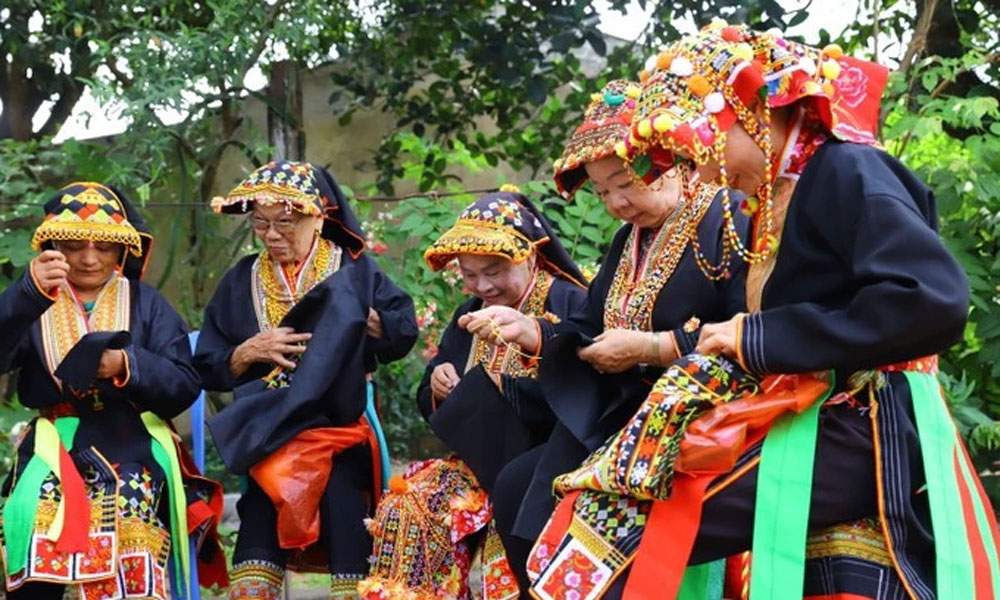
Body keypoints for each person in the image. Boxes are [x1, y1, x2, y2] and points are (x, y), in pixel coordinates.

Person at [527, 24, 994, 600]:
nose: (698, 174)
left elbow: (932, 300)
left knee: (616, 532)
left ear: (749, 114)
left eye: (702, 151)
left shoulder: (848, 170)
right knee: (601, 514)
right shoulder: (784, 192)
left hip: (860, 420)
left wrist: (759, 337)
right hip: (810, 413)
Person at [458, 79, 750, 595]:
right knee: (516, 487)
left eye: (624, 183)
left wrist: (652, 348)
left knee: (573, 509)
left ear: (671, 160)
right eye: (602, 192)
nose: (616, 202)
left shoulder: (726, 218)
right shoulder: (627, 239)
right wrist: (536, 332)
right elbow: (589, 326)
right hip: (618, 412)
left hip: (690, 414)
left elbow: (747, 327)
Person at [193, 160, 418, 600]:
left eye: (284, 222)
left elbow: (402, 329)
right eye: (260, 224)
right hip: (270, 436)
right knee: (256, 555)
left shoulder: (356, 271)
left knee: (351, 554)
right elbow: (207, 365)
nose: (272, 235)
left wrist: (373, 325)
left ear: (319, 216)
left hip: (339, 433)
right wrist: (246, 353)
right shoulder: (241, 281)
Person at [0, 182, 226, 600]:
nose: (89, 258)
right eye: (74, 245)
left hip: (132, 441)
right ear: (53, 247)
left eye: (103, 246)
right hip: (53, 442)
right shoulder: (33, 299)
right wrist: (24, 296)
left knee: (129, 517)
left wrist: (127, 364)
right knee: (31, 522)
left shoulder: (148, 303)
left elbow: (184, 384)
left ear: (123, 250)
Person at [360, 187, 588, 599]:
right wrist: (438, 384)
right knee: (406, 503)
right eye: (468, 273)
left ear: (530, 255)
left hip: (547, 462)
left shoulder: (569, 301)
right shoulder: (469, 311)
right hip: (475, 463)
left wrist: (511, 389)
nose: (482, 285)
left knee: (511, 504)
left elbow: (589, 396)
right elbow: (431, 389)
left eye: (494, 271)